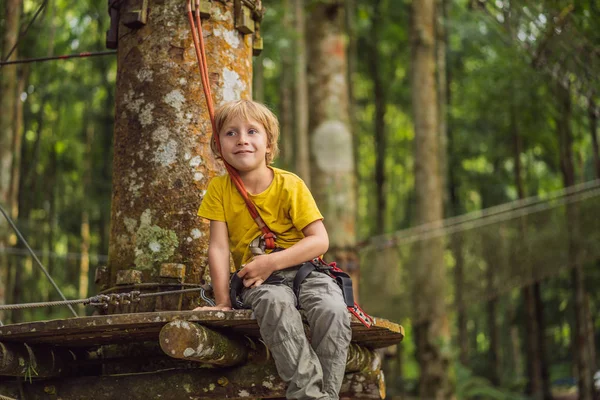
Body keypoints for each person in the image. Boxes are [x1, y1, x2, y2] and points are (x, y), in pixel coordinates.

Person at [194, 100, 352, 400]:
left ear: (269, 144)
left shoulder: (289, 185)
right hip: (260, 281)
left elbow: (319, 241)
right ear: (218, 146)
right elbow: (218, 247)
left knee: (331, 310)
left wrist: (271, 261)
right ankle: (307, 394)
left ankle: (324, 396)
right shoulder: (219, 189)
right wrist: (224, 300)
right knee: (274, 305)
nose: (241, 139)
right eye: (231, 133)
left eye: (252, 131)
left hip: (307, 272)